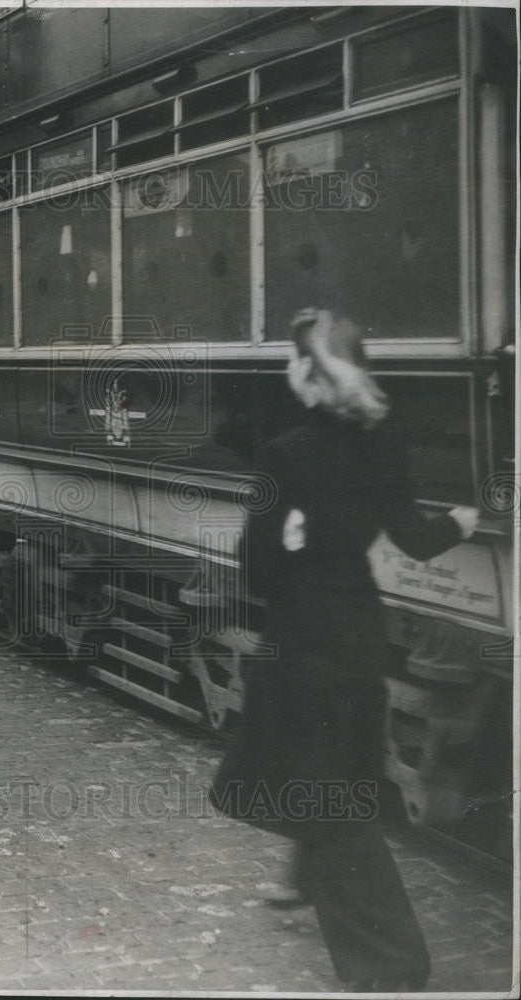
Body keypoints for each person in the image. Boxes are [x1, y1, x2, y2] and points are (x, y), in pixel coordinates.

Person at [210, 307, 478, 992]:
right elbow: (413, 538)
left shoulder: (285, 455)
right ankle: (301, 881)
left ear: (313, 372)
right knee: (333, 781)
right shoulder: (383, 444)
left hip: (303, 645)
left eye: (294, 362)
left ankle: (391, 964)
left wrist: (292, 540)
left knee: (325, 801)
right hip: (359, 632)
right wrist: (460, 520)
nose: (286, 373)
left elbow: (258, 573)